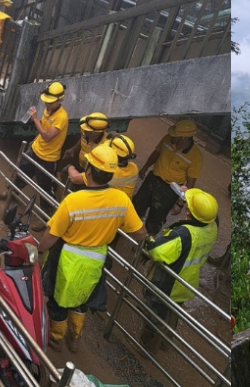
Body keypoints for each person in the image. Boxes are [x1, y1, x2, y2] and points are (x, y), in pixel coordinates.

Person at [37, 145, 147, 351]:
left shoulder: (74, 200)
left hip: (67, 256)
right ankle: (75, 337)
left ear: (88, 170)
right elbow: (140, 233)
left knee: (58, 299)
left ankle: (56, 337)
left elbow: (51, 235)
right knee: (81, 298)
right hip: (96, 259)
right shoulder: (121, 200)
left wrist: (39, 251)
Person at [140, 188, 219, 353]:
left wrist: (149, 239)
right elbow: (207, 212)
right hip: (187, 283)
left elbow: (157, 251)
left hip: (169, 285)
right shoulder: (213, 226)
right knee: (173, 314)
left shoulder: (183, 234)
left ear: (189, 211)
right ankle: (166, 342)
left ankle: (147, 348)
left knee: (156, 315)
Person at [134, 119, 204, 235]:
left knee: (156, 219)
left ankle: (145, 244)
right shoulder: (167, 139)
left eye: (176, 135)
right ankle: (128, 232)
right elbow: (156, 153)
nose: (172, 136)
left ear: (184, 138)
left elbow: (190, 183)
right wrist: (145, 167)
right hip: (153, 180)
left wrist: (180, 204)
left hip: (169, 191)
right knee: (136, 207)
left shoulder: (196, 156)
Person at [65, 134, 139, 198]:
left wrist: (70, 167)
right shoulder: (134, 168)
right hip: (121, 206)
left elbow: (74, 178)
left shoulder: (108, 171)